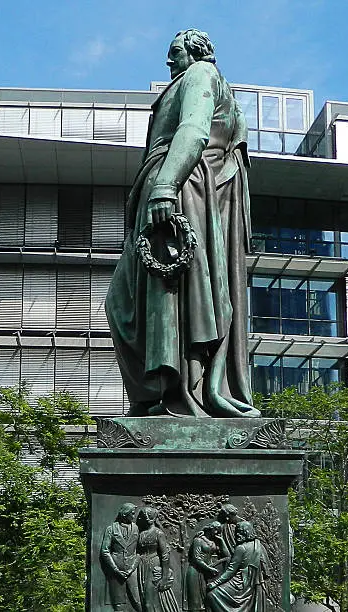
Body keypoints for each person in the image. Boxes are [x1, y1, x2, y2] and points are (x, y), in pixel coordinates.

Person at [106, 28, 260, 418]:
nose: (169, 60)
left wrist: (164, 186)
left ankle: (178, 392)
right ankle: (161, 394)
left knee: (167, 294)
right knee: (123, 303)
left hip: (179, 192)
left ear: (197, 52)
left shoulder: (201, 75)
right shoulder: (186, 80)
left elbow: (193, 130)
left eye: (175, 52)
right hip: (169, 186)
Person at [206, 521, 270, 612]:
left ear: (245, 532)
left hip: (239, 584)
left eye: (238, 532)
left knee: (211, 595)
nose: (236, 535)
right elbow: (266, 570)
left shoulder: (241, 548)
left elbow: (230, 571)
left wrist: (215, 583)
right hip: (253, 586)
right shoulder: (260, 546)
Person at [136, 506, 180, 612]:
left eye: (143, 516)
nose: (140, 518)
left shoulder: (158, 533)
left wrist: (164, 578)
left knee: (148, 601)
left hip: (153, 565)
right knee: (143, 599)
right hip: (142, 566)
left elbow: (165, 555)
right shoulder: (141, 533)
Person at [100, 503, 141, 612]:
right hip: (116, 571)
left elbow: (139, 551)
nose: (134, 516)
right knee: (119, 605)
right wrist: (115, 569)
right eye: (132, 514)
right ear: (124, 514)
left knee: (138, 601)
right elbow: (105, 550)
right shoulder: (111, 529)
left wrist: (132, 568)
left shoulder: (136, 528)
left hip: (132, 570)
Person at [185, 521, 229, 612]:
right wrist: (209, 568)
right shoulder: (198, 540)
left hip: (206, 573)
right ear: (210, 528)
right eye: (215, 530)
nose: (216, 532)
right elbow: (196, 558)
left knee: (206, 600)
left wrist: (221, 540)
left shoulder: (213, 542)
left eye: (218, 530)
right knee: (196, 602)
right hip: (196, 572)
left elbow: (227, 556)